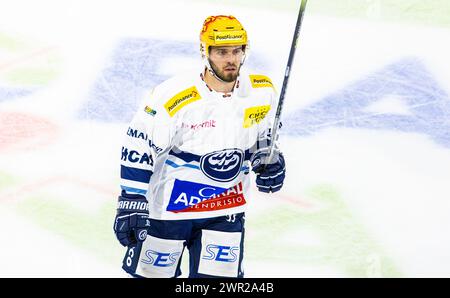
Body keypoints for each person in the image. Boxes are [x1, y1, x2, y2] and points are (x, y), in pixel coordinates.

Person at [113, 15, 286, 278]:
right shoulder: (174, 95)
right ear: (205, 51)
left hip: (225, 208)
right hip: (169, 211)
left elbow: (261, 137)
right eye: (221, 51)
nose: (231, 59)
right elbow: (140, 142)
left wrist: (268, 157)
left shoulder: (261, 91)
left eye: (237, 50)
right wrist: (132, 199)